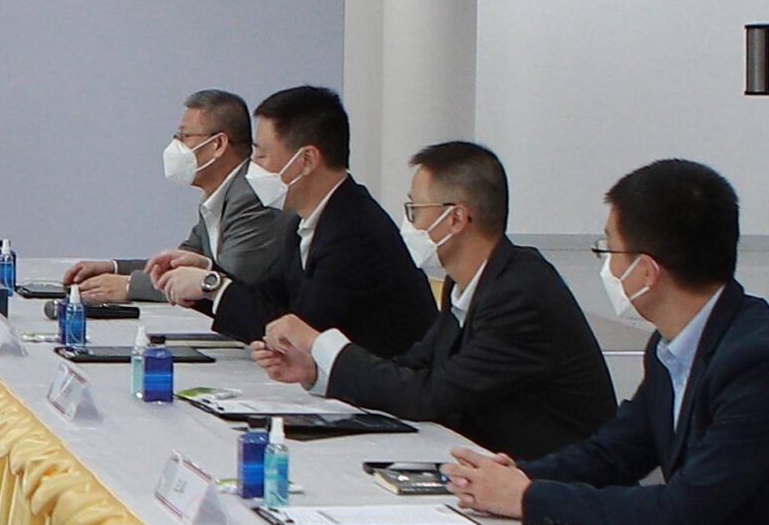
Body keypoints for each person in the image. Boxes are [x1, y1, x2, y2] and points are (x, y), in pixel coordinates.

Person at [447, 159, 769, 525]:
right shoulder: (674, 345)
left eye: (609, 249)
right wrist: (517, 476)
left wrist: (527, 498)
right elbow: (614, 453)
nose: (606, 265)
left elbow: (681, 510)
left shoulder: (763, 364)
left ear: (646, 271)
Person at [250, 141, 615, 460]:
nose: (408, 224)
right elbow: (413, 367)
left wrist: (319, 342)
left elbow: (430, 395)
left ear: (455, 217)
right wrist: (316, 370)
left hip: (549, 480)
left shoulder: (519, 292)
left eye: (415, 210)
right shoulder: (471, 282)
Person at [148, 84, 437, 358]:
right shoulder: (306, 222)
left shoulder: (354, 232)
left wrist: (213, 285)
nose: (253, 167)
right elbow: (272, 300)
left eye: (261, 155)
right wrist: (208, 276)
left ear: (307, 160)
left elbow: (296, 332)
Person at [64, 89, 291, 304]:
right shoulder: (219, 195)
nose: (176, 145)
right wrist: (114, 268)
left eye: (184, 136)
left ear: (218, 144)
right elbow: (182, 263)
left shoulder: (251, 196)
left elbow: (227, 282)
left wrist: (129, 285)